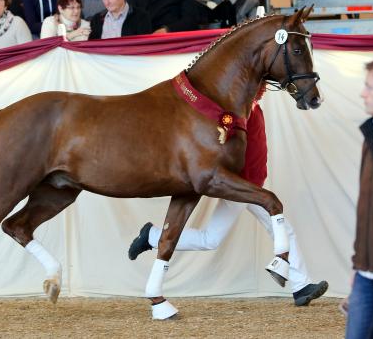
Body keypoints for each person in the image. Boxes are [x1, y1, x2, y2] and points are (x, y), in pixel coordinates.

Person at [129, 84, 329, 306]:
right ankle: (301, 286)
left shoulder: (250, 108)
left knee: (213, 239)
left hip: (251, 185)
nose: (261, 89)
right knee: (280, 230)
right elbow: (226, 134)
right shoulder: (238, 113)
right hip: (243, 187)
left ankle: (152, 236)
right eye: (259, 86)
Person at [345, 57, 373, 339]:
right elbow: (367, 206)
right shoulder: (371, 134)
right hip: (367, 275)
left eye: (369, 87)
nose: (363, 93)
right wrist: (359, 265)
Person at [128, 0, 199, 34]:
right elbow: (129, 13)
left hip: (167, 42)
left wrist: (168, 29)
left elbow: (190, 20)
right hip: (138, 40)